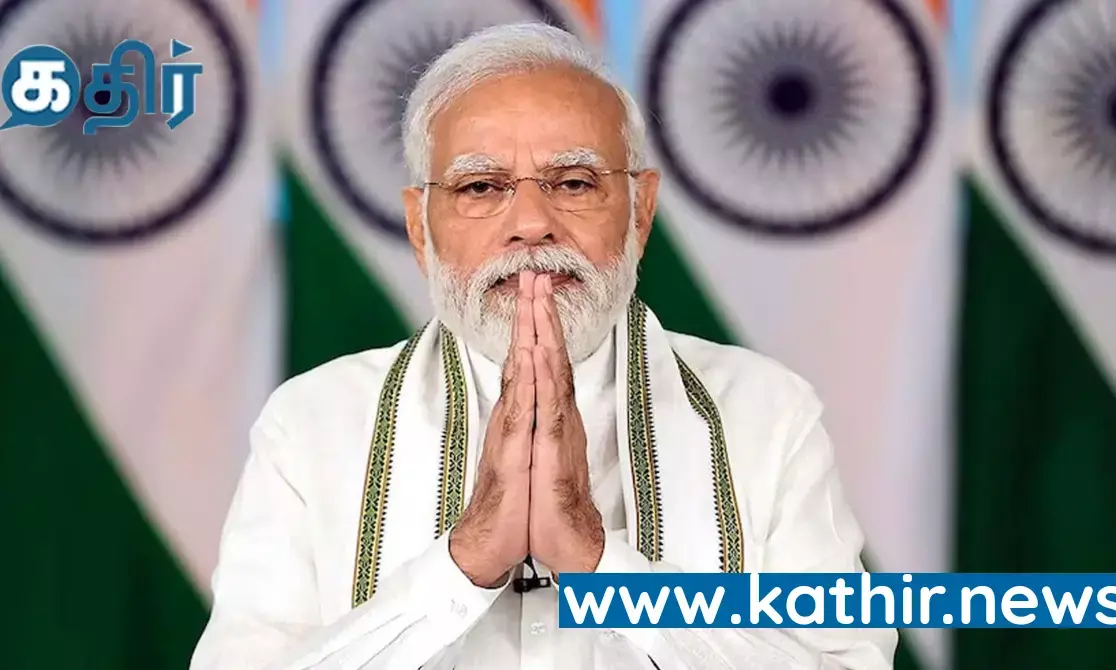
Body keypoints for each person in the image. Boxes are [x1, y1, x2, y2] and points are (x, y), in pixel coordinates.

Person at [191, 22, 896, 670]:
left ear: (640, 213)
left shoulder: (766, 415)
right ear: (419, 227)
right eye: (480, 187)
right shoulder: (312, 423)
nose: (531, 223)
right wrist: (463, 564)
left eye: (574, 182)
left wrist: (598, 562)